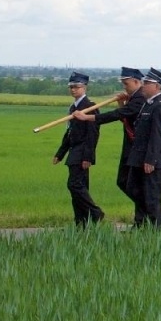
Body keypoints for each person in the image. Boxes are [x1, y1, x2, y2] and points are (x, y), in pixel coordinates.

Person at [75, 66, 148, 224]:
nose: (124, 87)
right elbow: (127, 116)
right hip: (129, 146)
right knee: (123, 182)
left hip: (138, 148)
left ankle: (149, 214)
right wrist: (122, 103)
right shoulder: (133, 98)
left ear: (136, 82)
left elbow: (118, 115)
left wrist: (88, 117)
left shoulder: (140, 98)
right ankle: (147, 213)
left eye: (126, 83)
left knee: (133, 185)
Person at [54, 72, 103, 227]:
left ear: (84, 87)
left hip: (82, 152)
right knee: (79, 189)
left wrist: (88, 157)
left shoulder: (90, 107)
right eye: (71, 87)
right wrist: (60, 153)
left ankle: (95, 213)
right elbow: (69, 132)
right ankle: (81, 222)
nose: (73, 89)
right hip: (73, 150)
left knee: (75, 185)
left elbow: (93, 134)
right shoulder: (73, 107)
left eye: (76, 86)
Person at [127, 68, 161, 227]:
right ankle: (141, 222)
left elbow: (157, 136)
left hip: (153, 161)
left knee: (152, 196)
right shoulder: (147, 104)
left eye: (147, 83)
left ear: (157, 86)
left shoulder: (160, 106)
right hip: (139, 157)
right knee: (133, 189)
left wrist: (151, 160)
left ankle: (156, 228)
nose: (143, 86)